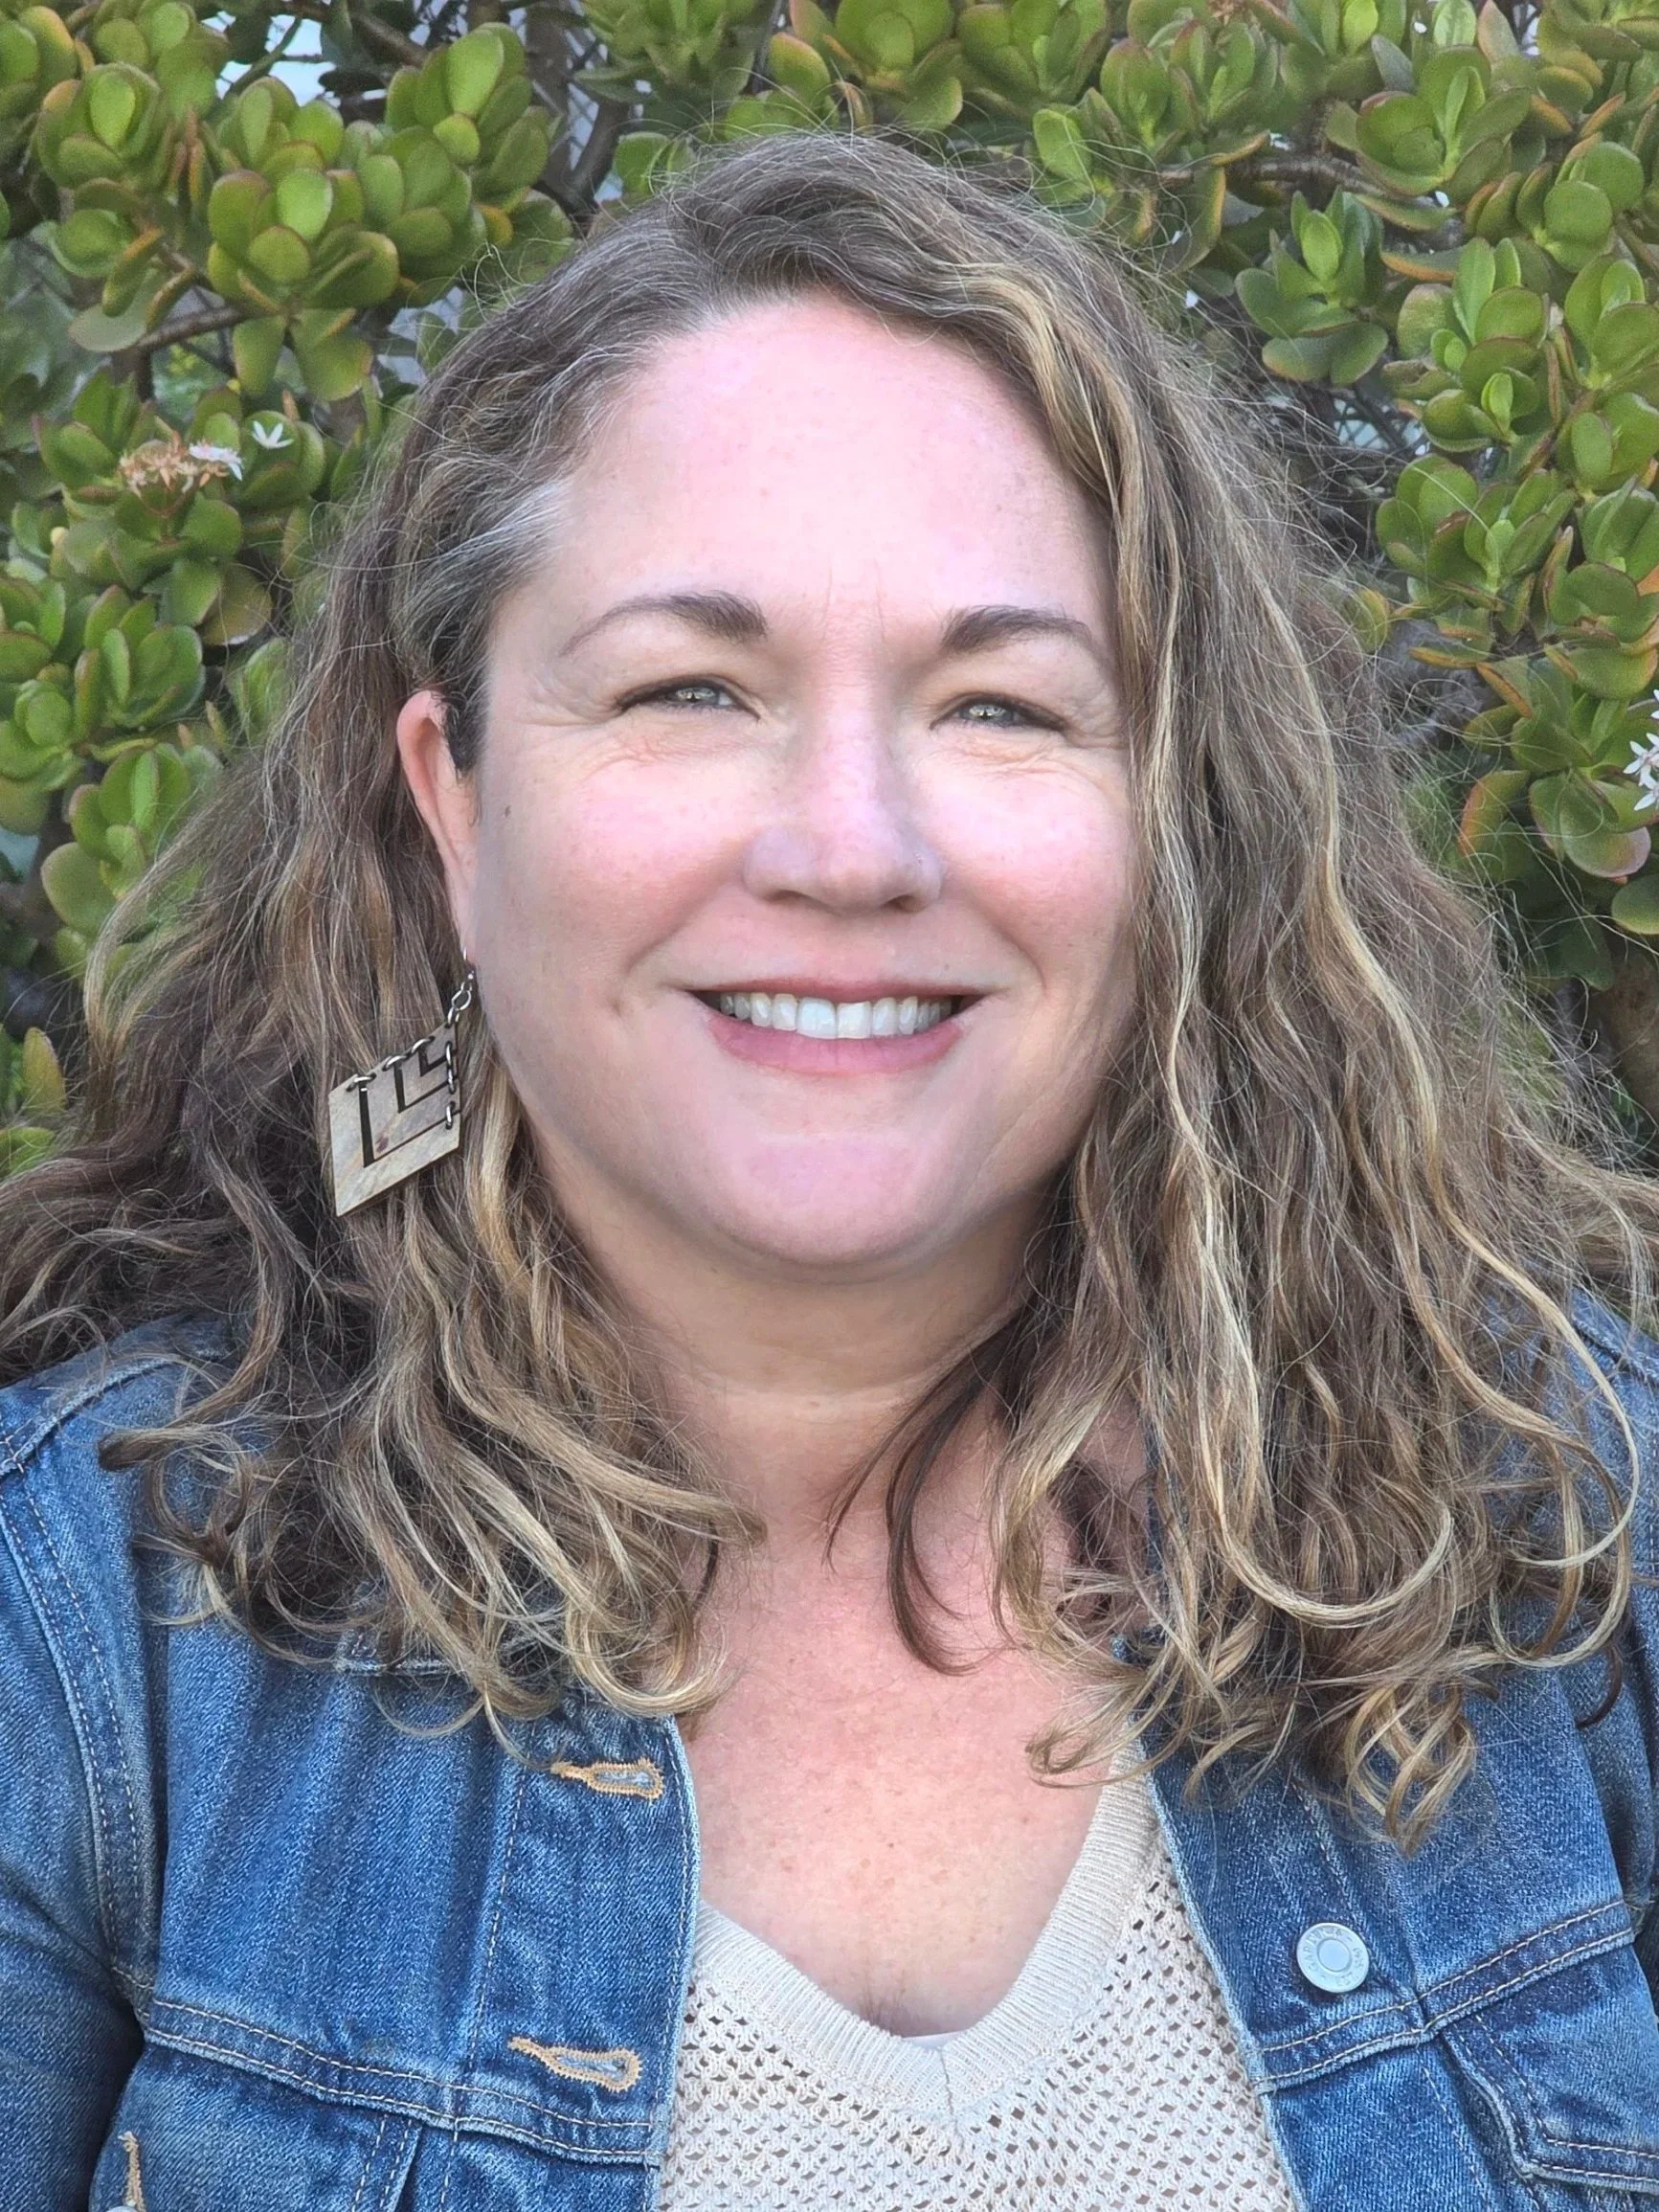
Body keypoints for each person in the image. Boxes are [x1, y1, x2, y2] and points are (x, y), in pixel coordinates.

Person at [2, 129, 1658, 2212]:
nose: (851, 847)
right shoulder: (85, 1632)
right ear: (452, 803)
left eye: (997, 705)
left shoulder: (1556, 1520)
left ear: (1168, 822)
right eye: (691, 688)